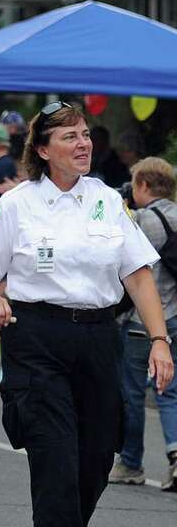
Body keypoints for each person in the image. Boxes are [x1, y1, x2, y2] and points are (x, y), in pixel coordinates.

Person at [0, 102, 173, 527]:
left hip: (99, 337)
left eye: (85, 135)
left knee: (94, 461)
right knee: (55, 462)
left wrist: (159, 339)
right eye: (69, 138)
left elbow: (139, 276)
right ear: (42, 149)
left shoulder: (108, 201)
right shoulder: (17, 206)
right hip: (37, 338)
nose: (83, 144)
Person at [110, 157, 177, 492]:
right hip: (176, 317)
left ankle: (131, 462)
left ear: (144, 186)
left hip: (145, 320)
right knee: (171, 392)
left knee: (132, 392)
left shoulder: (142, 220)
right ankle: (175, 453)